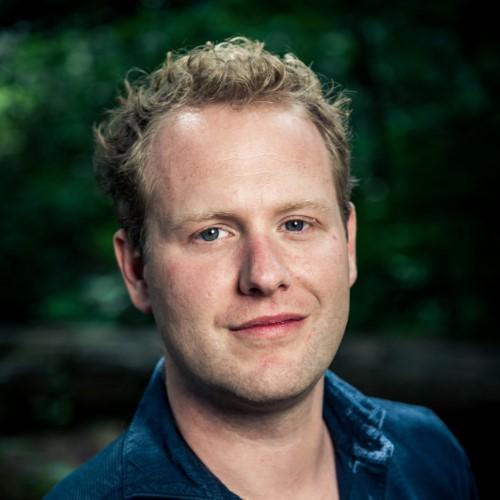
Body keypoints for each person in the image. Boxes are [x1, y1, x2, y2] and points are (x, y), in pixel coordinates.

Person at [44, 37, 478, 499]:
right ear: (137, 270)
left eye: (296, 224)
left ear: (348, 244)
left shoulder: (429, 455)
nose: (265, 276)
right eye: (211, 233)